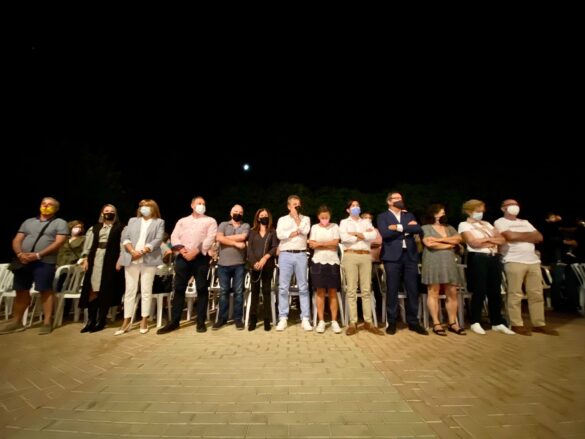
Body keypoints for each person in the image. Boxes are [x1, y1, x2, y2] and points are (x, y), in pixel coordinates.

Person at [0, 197, 68, 335]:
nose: (46, 206)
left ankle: (47, 322)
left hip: (45, 262)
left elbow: (59, 242)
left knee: (45, 290)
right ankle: (17, 321)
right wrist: (20, 254)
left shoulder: (60, 223)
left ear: (56, 209)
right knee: (21, 290)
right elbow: (17, 239)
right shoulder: (29, 221)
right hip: (23, 261)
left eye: (50, 204)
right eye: (44, 203)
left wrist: (38, 255)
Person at [494, 199, 558, 335]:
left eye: (516, 204)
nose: (514, 207)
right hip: (513, 260)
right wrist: (529, 236)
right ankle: (516, 324)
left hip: (533, 261)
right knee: (515, 293)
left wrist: (519, 236)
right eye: (511, 205)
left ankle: (539, 324)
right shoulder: (500, 222)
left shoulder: (525, 222)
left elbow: (539, 237)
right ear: (503, 208)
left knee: (536, 293)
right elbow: (510, 236)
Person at [157, 196, 217, 334]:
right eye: (199, 203)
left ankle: (200, 322)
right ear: (192, 205)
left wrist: (195, 251)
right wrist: (182, 250)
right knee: (179, 289)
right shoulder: (182, 221)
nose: (201, 205)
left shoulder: (210, 221)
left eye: (203, 203)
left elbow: (210, 238)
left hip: (200, 258)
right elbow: (174, 236)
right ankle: (174, 322)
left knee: (202, 289)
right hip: (182, 258)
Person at [458, 199, 514, 336]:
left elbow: (502, 239)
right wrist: (490, 241)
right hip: (478, 257)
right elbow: (473, 242)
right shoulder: (464, 225)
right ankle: (475, 321)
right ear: (469, 211)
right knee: (480, 289)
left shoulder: (487, 224)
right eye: (478, 211)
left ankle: (497, 322)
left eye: (482, 210)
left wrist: (486, 240)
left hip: (494, 257)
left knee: (495, 290)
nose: (481, 213)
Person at [377, 192, 428, 335]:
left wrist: (397, 227)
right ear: (389, 202)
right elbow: (385, 234)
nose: (400, 200)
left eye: (401, 198)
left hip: (410, 256)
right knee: (392, 289)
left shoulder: (408, 215)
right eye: (396, 198)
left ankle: (413, 322)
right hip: (392, 257)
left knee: (412, 289)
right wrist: (406, 229)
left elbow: (418, 229)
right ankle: (392, 322)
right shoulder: (383, 216)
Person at [115, 199, 165, 336]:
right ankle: (126, 321)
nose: (144, 208)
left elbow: (158, 239)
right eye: (141, 206)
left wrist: (143, 251)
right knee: (130, 290)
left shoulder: (159, 222)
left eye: (147, 206)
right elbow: (125, 238)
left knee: (146, 290)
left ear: (153, 208)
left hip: (148, 259)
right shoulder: (133, 221)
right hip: (131, 258)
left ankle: (144, 320)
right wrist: (132, 251)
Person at [78, 204, 125, 333]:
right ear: (102, 213)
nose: (109, 213)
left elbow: (123, 245)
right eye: (106, 211)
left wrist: (120, 260)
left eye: (112, 211)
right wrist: (85, 258)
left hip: (110, 259)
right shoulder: (94, 228)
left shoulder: (120, 228)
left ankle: (101, 320)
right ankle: (91, 320)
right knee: (92, 288)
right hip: (95, 258)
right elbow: (87, 246)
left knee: (105, 289)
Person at [340, 201, 384, 335]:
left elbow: (373, 236)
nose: (356, 207)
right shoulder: (344, 222)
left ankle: (368, 322)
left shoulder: (366, 222)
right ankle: (353, 323)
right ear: (348, 209)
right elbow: (344, 238)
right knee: (351, 290)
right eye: (353, 206)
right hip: (350, 255)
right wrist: (363, 235)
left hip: (365, 255)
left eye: (357, 205)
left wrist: (356, 234)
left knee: (366, 290)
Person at [421, 204, 465, 336]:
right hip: (432, 261)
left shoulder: (449, 228)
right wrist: (449, 244)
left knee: (452, 292)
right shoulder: (425, 228)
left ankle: (452, 323)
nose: (444, 214)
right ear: (434, 214)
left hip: (449, 262)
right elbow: (429, 244)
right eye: (441, 212)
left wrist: (439, 240)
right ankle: (436, 323)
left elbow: (458, 239)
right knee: (433, 292)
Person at [275, 195, 312, 331]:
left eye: (298, 204)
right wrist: (293, 233)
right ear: (289, 206)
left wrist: (297, 218)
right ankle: (283, 317)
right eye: (294, 204)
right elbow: (280, 234)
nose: (296, 206)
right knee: (283, 287)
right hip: (285, 254)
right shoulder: (282, 219)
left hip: (301, 254)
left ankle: (305, 318)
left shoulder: (305, 219)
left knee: (303, 287)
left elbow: (305, 231)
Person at [213, 204, 250, 330]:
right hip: (223, 264)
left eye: (240, 212)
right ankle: (221, 319)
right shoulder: (223, 224)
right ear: (230, 212)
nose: (238, 213)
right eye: (236, 211)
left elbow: (243, 237)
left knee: (238, 292)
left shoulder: (245, 225)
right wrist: (235, 243)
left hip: (239, 264)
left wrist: (224, 238)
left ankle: (238, 319)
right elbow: (218, 238)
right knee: (223, 292)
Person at [309, 205, 342, 334]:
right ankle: (321, 321)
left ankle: (334, 321)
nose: (324, 219)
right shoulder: (314, 227)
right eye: (322, 217)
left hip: (333, 261)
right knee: (320, 291)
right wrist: (326, 244)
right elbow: (312, 244)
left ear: (330, 216)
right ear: (318, 217)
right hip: (317, 262)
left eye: (326, 217)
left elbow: (335, 243)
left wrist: (320, 244)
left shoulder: (335, 226)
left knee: (333, 291)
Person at [246, 208, 279, 331]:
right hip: (254, 266)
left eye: (265, 215)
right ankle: (253, 319)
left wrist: (265, 258)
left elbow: (274, 247)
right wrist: (254, 262)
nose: (263, 217)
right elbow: (249, 249)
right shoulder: (252, 232)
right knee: (254, 292)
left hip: (268, 265)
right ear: (258, 218)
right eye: (261, 215)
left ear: (268, 217)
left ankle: (266, 320)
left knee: (266, 292)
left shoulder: (272, 232)